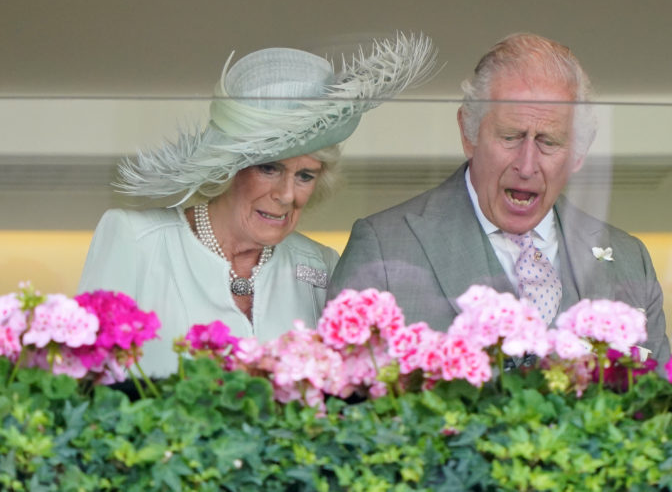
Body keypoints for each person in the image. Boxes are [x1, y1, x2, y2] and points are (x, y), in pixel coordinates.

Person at [78, 33, 438, 377]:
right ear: (229, 169)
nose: (286, 194)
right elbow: (84, 378)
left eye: (305, 176)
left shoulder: (321, 266)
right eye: (270, 168)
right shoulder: (137, 241)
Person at [328, 32, 671, 367]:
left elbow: (661, 411)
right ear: (469, 132)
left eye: (548, 142)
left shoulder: (630, 257)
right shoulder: (384, 247)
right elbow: (345, 409)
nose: (526, 165)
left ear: (578, 152)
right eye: (510, 136)